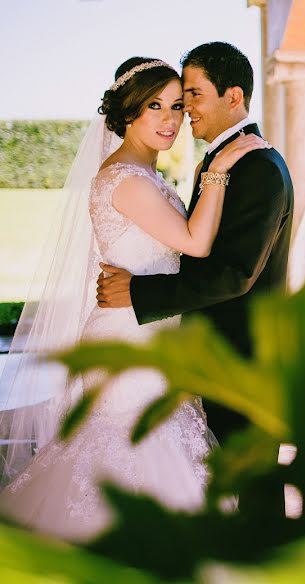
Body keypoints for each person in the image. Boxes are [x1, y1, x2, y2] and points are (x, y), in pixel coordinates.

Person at [0, 57, 267, 541]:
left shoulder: (149, 177)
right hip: (130, 338)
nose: (170, 119)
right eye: (154, 106)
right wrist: (220, 169)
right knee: (132, 450)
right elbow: (196, 244)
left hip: (152, 332)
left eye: (178, 106)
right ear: (127, 113)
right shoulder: (123, 179)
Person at [96, 42, 295, 444]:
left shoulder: (256, 166)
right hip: (191, 353)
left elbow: (233, 275)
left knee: (250, 497)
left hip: (240, 361)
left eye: (191, 95)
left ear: (233, 96)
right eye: (166, 102)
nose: (184, 109)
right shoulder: (213, 162)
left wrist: (137, 291)